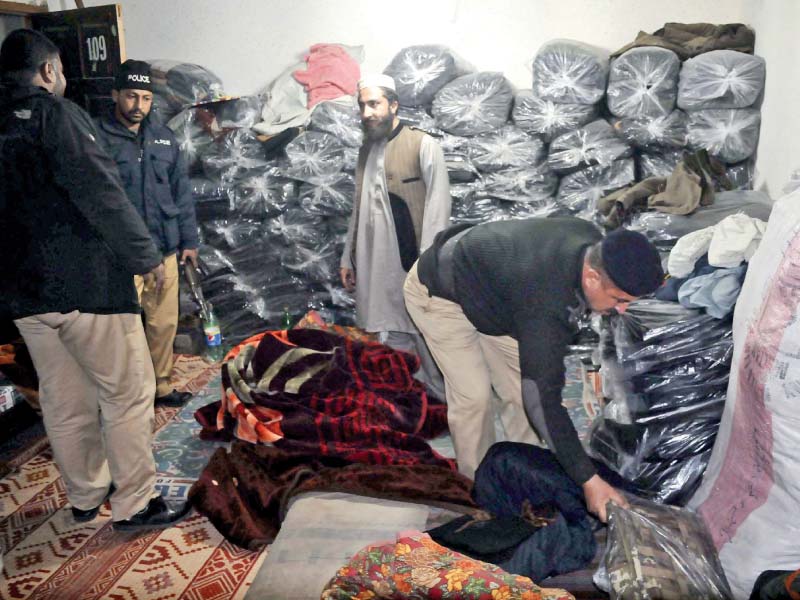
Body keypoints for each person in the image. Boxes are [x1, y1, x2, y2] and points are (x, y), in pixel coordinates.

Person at [0, 29, 188, 529]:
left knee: (64, 399)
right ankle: (136, 503)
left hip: (26, 297)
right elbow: (101, 192)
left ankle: (86, 494)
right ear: (47, 71)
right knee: (127, 392)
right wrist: (145, 257)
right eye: (59, 69)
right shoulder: (56, 116)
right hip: (88, 288)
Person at [403, 217, 664, 522]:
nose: (622, 310)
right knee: (475, 398)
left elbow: (531, 396)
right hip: (439, 293)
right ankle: (480, 492)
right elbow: (543, 399)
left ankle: (524, 479)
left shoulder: (591, 242)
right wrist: (589, 480)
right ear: (592, 277)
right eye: (619, 300)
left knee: (517, 393)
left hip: (497, 299)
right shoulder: (545, 301)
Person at [95, 60, 199, 407]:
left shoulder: (164, 138)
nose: (138, 106)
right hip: (120, 254)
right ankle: (125, 394)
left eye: (145, 98)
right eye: (130, 96)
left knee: (163, 324)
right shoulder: (97, 137)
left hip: (164, 247)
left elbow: (180, 192)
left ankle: (162, 387)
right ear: (115, 95)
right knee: (120, 330)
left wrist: (189, 241)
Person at [340, 74, 450, 399]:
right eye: (362, 105)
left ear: (393, 104)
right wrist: (348, 256)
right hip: (373, 257)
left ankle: (442, 396)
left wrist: (428, 262)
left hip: (411, 256)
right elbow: (357, 208)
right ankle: (407, 395)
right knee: (388, 326)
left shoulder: (423, 144)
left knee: (420, 326)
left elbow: (439, 206)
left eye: (374, 104)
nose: (367, 113)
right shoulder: (366, 150)